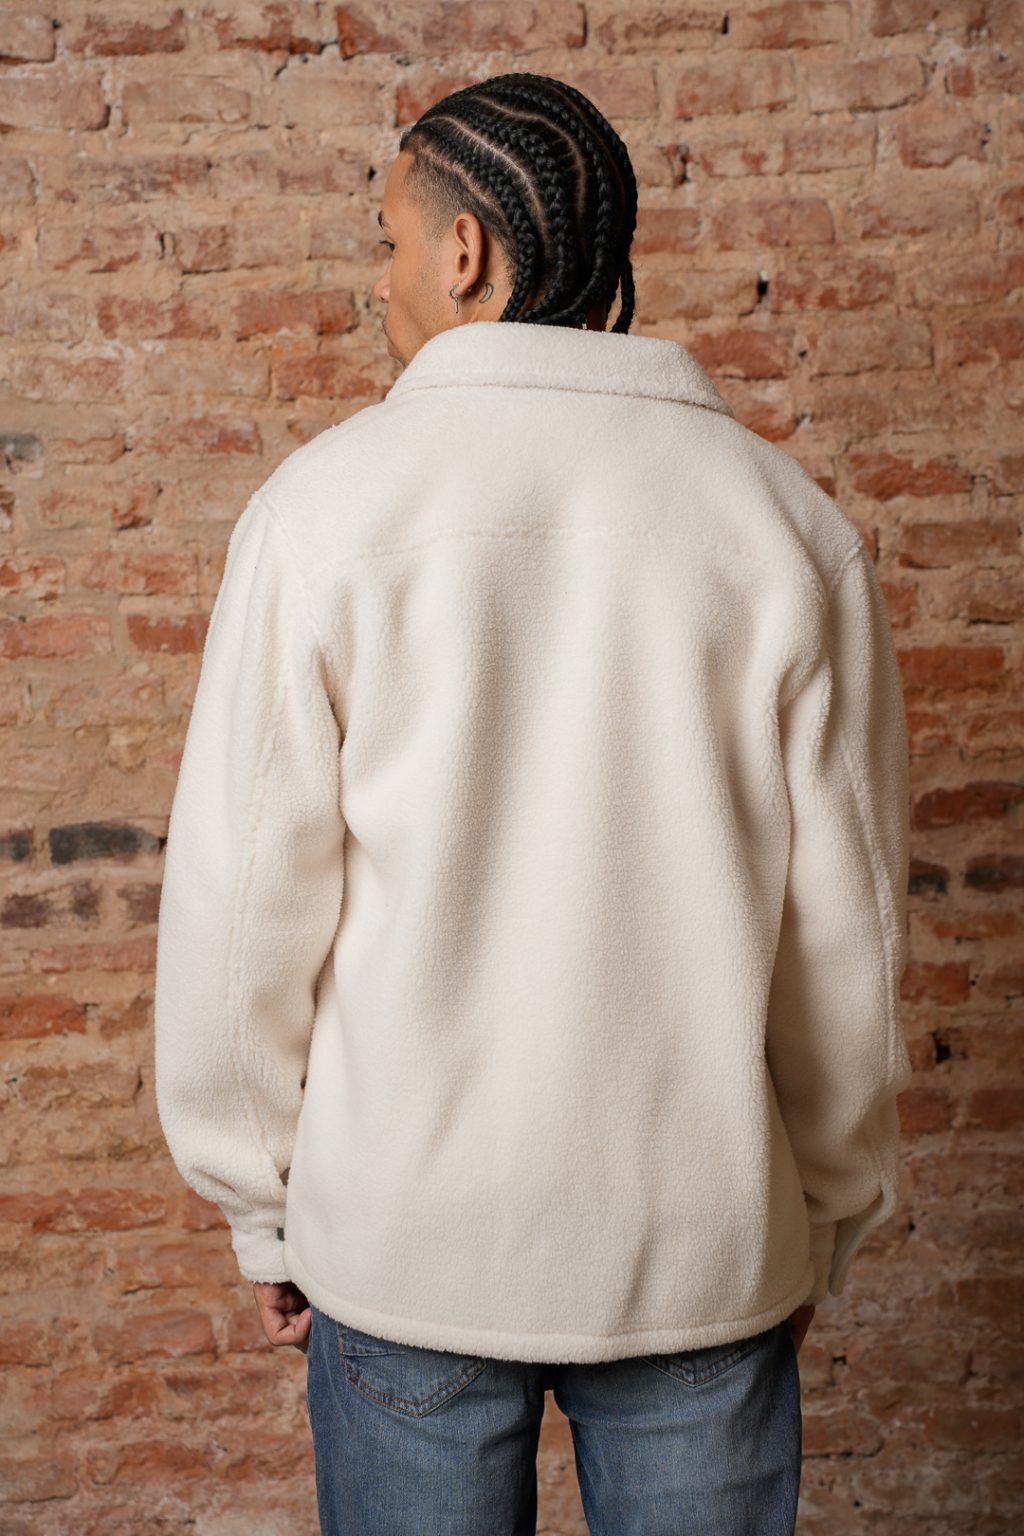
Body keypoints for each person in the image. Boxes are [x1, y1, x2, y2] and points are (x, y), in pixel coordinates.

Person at [153, 71, 913, 1536]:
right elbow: (851, 939)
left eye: (388, 242)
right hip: (701, 1249)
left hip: (404, 1246)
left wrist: (259, 1200)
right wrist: (822, 1213)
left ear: (464, 253)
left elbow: (245, 908)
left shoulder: (322, 514)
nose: (378, 282)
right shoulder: (784, 528)